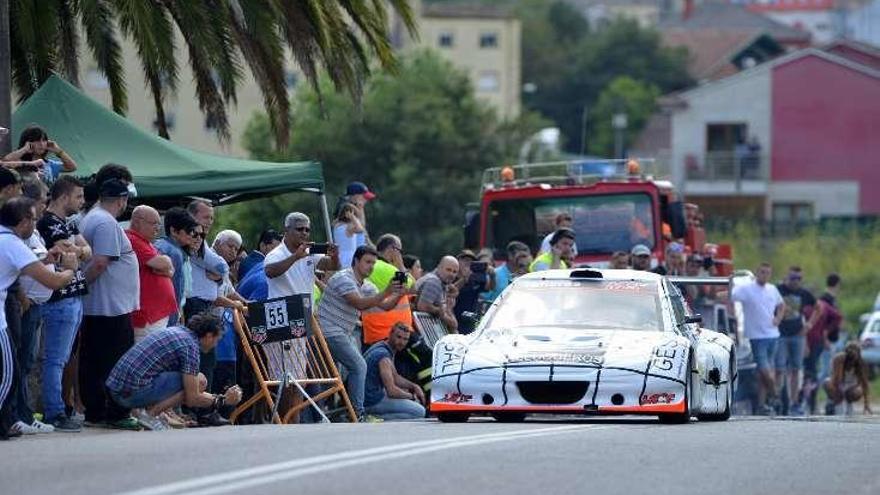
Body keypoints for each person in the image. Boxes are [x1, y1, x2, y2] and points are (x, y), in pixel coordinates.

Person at [0, 198, 77, 440]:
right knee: (8, 375)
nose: (36, 223)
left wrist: (47, 258)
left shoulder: (6, 239)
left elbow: (22, 265)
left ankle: (7, 422)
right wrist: (71, 269)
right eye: (33, 219)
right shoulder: (11, 241)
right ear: (23, 221)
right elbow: (53, 281)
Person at [105, 313, 243, 431]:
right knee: (200, 381)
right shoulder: (190, 347)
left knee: (192, 379)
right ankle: (150, 415)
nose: (215, 345)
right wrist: (223, 400)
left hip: (117, 390)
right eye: (217, 340)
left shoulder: (179, 332)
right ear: (208, 336)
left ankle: (153, 413)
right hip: (128, 394)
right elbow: (192, 398)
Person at [78, 178, 140, 430]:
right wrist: (81, 283)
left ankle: (96, 410)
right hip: (110, 307)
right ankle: (115, 411)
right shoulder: (105, 221)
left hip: (102, 305)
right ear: (121, 200)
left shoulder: (94, 216)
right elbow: (101, 262)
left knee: (95, 359)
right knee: (116, 360)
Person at [318, 246, 404, 420]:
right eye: (367, 262)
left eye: (374, 262)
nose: (371, 266)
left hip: (344, 333)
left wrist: (397, 293)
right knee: (359, 366)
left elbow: (385, 306)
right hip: (329, 330)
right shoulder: (344, 278)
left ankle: (340, 411)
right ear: (356, 261)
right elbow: (360, 304)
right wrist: (386, 291)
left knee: (345, 373)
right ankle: (357, 414)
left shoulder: (367, 285)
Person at [37, 176, 90, 432]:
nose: (82, 201)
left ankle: (57, 408)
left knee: (62, 356)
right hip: (60, 297)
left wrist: (76, 251)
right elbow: (68, 250)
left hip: (74, 295)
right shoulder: (48, 222)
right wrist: (76, 251)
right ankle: (54, 411)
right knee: (55, 359)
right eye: (78, 196)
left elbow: (85, 250)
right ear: (63, 196)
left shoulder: (67, 223)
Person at [8, 178, 55, 434]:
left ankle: (23, 413)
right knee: (19, 363)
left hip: (35, 304)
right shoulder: (17, 234)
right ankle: (16, 415)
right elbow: (20, 268)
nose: (47, 203)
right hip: (25, 304)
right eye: (44, 198)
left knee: (26, 362)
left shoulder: (32, 231)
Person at [731, 262, 785, 415]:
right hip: (756, 336)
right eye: (762, 272)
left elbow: (782, 305)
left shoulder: (772, 289)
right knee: (764, 370)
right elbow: (732, 296)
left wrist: (778, 319)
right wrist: (729, 282)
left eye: (767, 273)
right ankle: (776, 396)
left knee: (764, 374)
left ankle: (761, 405)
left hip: (773, 335)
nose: (764, 275)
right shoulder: (747, 289)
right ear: (757, 272)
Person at [126, 206, 177, 342]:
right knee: (147, 358)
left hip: (154, 315)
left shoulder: (146, 242)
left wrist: (166, 264)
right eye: (153, 223)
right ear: (137, 222)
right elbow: (163, 264)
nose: (157, 228)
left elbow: (170, 270)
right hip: (146, 316)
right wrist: (166, 262)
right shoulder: (132, 239)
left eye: (159, 224)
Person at [264, 212, 340, 298]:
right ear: (286, 230)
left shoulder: (309, 251)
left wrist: (335, 256)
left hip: (306, 309)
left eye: (307, 230)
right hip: (285, 309)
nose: (304, 233)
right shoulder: (275, 254)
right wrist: (296, 257)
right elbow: (269, 272)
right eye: (299, 229)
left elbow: (333, 266)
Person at [363, 322, 426, 420]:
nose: (401, 342)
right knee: (419, 412)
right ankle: (373, 418)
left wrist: (414, 386)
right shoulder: (383, 356)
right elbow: (391, 391)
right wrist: (412, 397)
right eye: (399, 337)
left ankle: (374, 417)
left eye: (405, 339)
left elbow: (395, 377)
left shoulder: (385, 347)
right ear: (390, 334)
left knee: (415, 410)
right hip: (372, 401)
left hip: (372, 397)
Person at [775, 267, 815, 416]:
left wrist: (809, 325)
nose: (796, 281)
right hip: (780, 334)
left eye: (799, 278)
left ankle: (794, 402)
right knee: (779, 369)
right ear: (787, 277)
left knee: (796, 369)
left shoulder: (803, 293)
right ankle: (777, 400)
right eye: (793, 278)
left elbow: (818, 308)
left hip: (798, 335)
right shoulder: (778, 290)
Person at [363, 234, 414, 346]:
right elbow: (411, 286)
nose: (400, 255)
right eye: (399, 251)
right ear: (393, 249)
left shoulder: (369, 266)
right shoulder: (387, 268)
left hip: (373, 331)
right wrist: (400, 265)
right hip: (388, 332)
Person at [803, 273, 844, 414]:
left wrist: (826, 332)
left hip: (819, 341)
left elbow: (838, 317)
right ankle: (812, 401)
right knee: (819, 371)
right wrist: (826, 334)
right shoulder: (822, 301)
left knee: (817, 371)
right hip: (815, 341)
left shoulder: (822, 303)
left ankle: (817, 401)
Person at [154, 208, 200, 327]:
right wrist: (174, 321)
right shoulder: (175, 253)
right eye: (189, 230)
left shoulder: (157, 244)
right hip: (165, 317)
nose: (192, 235)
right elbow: (175, 291)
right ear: (174, 231)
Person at [2, 124, 77, 182]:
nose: (41, 144)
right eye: (37, 140)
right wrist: (24, 149)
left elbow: (72, 167)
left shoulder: (50, 164)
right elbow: (5, 162)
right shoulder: (20, 163)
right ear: (28, 142)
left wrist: (58, 151)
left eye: (44, 140)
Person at [823, 342, 872, 416]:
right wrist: (841, 364)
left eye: (853, 360)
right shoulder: (838, 359)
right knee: (826, 383)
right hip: (839, 384)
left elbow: (865, 385)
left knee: (855, 392)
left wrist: (866, 403)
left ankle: (849, 405)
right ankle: (833, 404)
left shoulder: (861, 364)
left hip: (852, 387)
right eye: (850, 359)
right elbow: (836, 380)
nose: (851, 363)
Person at [414, 256, 459, 332]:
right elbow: (423, 306)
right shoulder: (434, 282)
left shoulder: (443, 283)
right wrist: (442, 312)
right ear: (439, 268)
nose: (451, 274)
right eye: (448, 270)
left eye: (454, 272)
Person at [453, 250, 493, 334]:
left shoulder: (475, 278)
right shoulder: (452, 275)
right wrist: (464, 279)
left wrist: (492, 275)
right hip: (454, 319)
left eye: (471, 261)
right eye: (465, 260)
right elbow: (450, 291)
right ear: (458, 261)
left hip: (469, 321)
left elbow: (489, 288)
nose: (468, 263)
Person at [333, 202, 366, 268]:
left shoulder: (336, 225)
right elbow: (361, 229)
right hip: (349, 258)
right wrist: (352, 217)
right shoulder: (348, 227)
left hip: (339, 256)